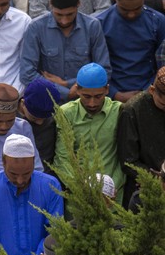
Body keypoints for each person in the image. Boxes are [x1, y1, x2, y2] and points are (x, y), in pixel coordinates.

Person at [0, 134, 63, 255]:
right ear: (3, 163)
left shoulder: (51, 186)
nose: (20, 180)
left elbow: (54, 233)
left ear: (34, 162)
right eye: (13, 174)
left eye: (26, 173)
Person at [21, 0, 111, 103]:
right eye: (59, 14)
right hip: (49, 102)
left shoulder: (92, 26)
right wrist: (65, 92)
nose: (64, 21)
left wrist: (67, 84)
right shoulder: (36, 28)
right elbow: (27, 74)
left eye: (70, 14)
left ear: (79, 4)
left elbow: (104, 69)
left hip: (85, 101)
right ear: (50, 4)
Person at [53, 62, 124, 191]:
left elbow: (124, 157)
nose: (92, 103)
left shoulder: (119, 111)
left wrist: (112, 188)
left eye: (98, 96)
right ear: (77, 90)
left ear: (107, 90)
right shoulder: (66, 113)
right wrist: (80, 188)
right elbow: (62, 157)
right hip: (78, 196)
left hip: (113, 197)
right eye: (86, 97)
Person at [97, 0, 165, 102]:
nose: (131, 15)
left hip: (151, 92)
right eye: (125, 10)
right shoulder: (100, 23)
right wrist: (114, 94)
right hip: (110, 95)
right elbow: (96, 63)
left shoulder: (158, 22)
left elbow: (162, 64)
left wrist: (149, 90)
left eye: (137, 9)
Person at [119, 67, 165, 202]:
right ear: (152, 91)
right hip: (143, 188)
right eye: (163, 104)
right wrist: (156, 178)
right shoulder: (132, 110)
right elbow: (128, 161)